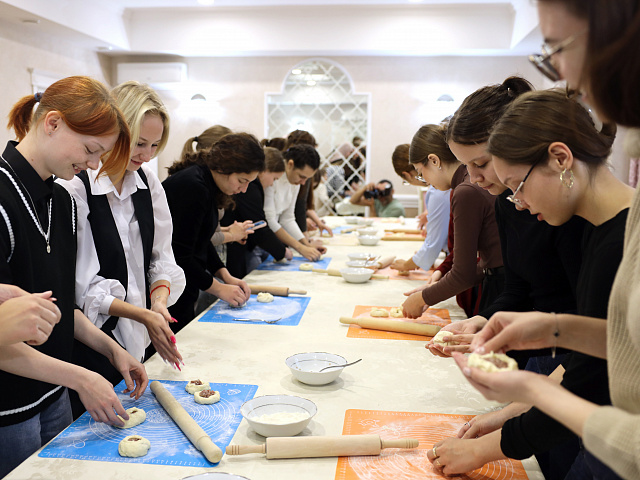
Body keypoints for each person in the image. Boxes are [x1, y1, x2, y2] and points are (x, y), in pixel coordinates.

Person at [449, 2, 640, 478]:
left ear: (559, 158)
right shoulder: (606, 227)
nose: (514, 201)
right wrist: (550, 328)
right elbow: (621, 341)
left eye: (516, 185)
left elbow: (598, 379)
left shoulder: (614, 236)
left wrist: (527, 394)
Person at [425, 79, 596, 480]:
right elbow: (520, 291)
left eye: (482, 164)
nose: (473, 178)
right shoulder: (509, 202)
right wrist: (484, 320)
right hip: (556, 361)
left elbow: (594, 355)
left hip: (575, 373)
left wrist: (498, 435)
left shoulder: (582, 221)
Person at [0, 76, 148, 477]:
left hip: (55, 393)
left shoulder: (63, 201)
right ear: (52, 123)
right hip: (9, 409)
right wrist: (81, 378)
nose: (94, 164)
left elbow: (62, 307)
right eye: (90, 149)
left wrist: (112, 350)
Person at [58, 81, 185, 406]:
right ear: (115, 131)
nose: (147, 155)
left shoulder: (147, 181)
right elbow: (84, 289)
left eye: (155, 145)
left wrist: (158, 304)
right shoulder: (75, 189)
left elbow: (161, 257)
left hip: (137, 339)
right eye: (140, 143)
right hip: (93, 343)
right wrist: (143, 315)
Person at [163, 133, 265, 327]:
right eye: (242, 180)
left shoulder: (208, 184)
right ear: (224, 167)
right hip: (165, 285)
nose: (244, 189)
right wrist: (218, 288)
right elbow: (180, 255)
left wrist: (225, 275)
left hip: (183, 282)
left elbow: (201, 240)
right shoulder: (193, 186)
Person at [401, 124, 503, 319]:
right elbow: (489, 259)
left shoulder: (465, 190)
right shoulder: (463, 185)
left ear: (434, 160)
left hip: (500, 288)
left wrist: (423, 298)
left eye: (421, 173)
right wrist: (436, 285)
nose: (425, 181)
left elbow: (464, 274)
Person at [224, 147, 294, 277]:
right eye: (274, 179)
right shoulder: (251, 188)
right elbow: (259, 226)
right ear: (264, 170)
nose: (272, 184)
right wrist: (282, 251)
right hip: (231, 247)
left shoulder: (254, 186)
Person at [389, 143, 450, 273]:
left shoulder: (439, 191)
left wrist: (407, 265)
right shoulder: (438, 188)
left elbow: (433, 244)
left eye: (420, 172)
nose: (424, 179)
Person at [264, 144, 325, 261]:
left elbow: (288, 218)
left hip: (274, 239)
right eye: (302, 176)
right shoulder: (273, 177)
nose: (303, 183)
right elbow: (270, 220)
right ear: (290, 164)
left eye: (307, 179)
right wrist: (300, 248)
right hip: (262, 239)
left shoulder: (295, 182)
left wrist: (306, 245)